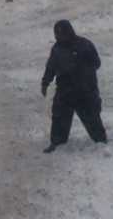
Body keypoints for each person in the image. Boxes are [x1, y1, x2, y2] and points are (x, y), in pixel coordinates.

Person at [40, 19, 106, 151]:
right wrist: (45, 82)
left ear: (69, 32)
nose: (59, 37)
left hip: (85, 90)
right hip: (65, 91)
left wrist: (84, 71)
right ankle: (56, 143)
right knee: (59, 117)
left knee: (92, 118)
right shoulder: (57, 49)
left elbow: (97, 63)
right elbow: (51, 67)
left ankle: (101, 142)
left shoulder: (85, 45)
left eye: (61, 33)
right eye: (57, 34)